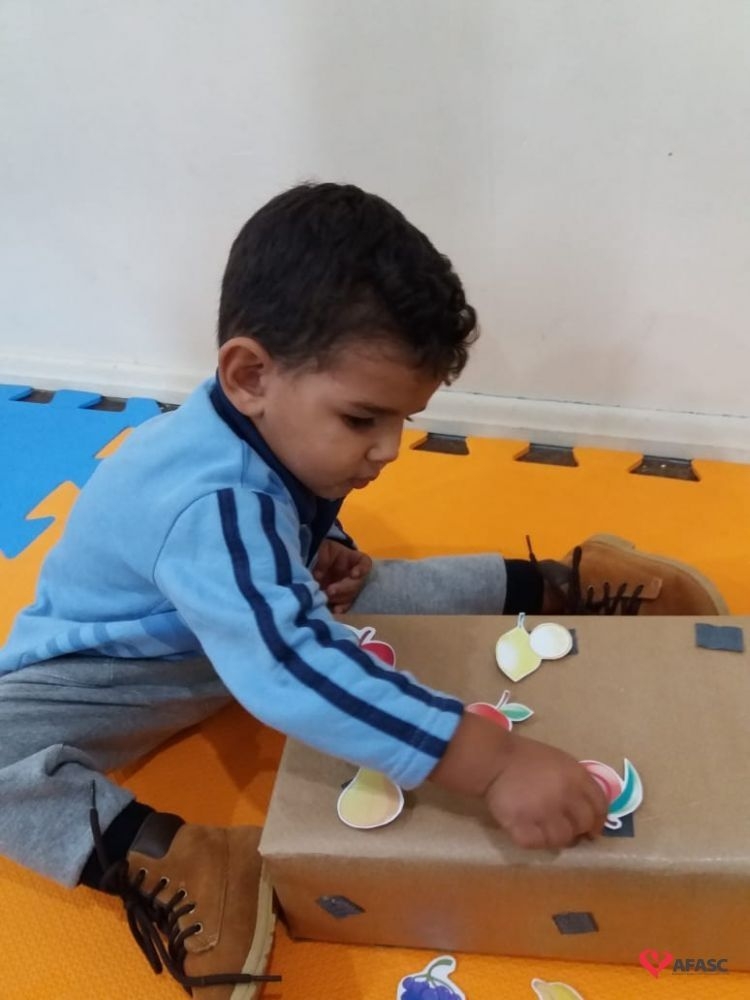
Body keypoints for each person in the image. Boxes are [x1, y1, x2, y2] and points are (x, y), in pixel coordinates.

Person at [0, 183, 726, 998]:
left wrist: (328, 544)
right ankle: (178, 857)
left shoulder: (261, 430)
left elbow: (281, 554)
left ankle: (560, 584)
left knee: (360, 591)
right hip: (124, 666)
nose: (389, 450)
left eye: (403, 420)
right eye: (362, 420)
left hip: (233, 631)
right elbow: (285, 664)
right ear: (249, 374)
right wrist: (493, 762)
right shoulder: (212, 503)